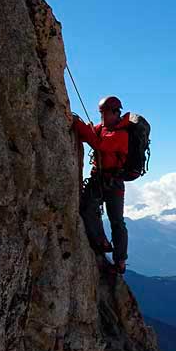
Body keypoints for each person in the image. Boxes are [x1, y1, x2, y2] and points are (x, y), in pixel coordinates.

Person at [73, 96, 130, 274]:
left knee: (117, 222)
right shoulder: (103, 129)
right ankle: (102, 241)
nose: (102, 117)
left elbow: (98, 143)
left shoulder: (121, 134)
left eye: (105, 113)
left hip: (114, 182)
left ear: (115, 112)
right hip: (100, 178)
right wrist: (77, 124)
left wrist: (77, 122)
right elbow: (87, 135)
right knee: (88, 207)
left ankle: (120, 261)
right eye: (101, 113)